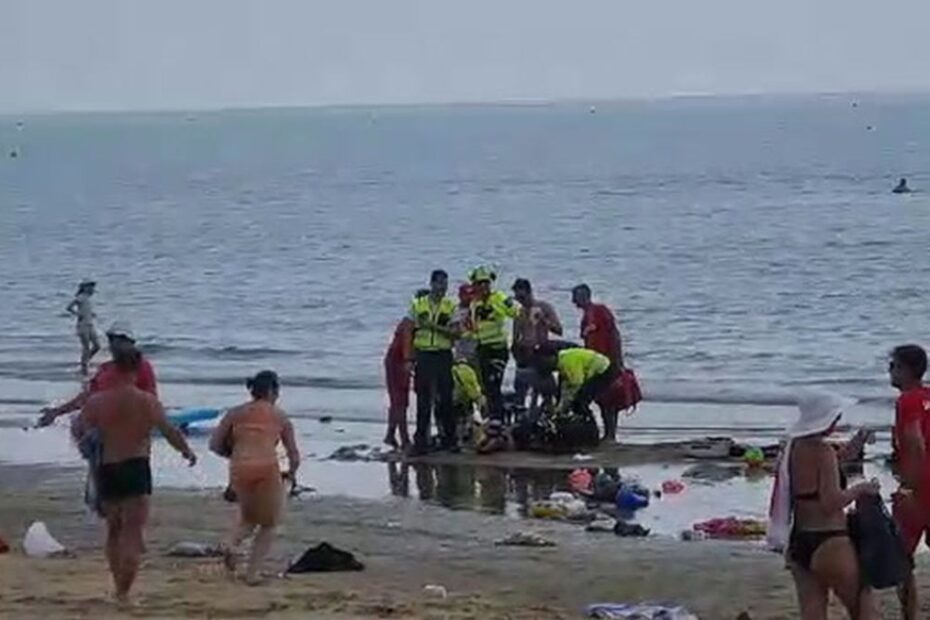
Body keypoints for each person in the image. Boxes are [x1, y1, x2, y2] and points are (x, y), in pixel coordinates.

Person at [71, 346, 196, 605]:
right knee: (132, 532)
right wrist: (187, 452)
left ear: (114, 367)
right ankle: (123, 593)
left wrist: (91, 445)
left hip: (106, 468)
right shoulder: (146, 401)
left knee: (113, 530)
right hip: (136, 466)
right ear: (138, 369)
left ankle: (117, 584)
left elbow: (80, 430)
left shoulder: (96, 401)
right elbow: (170, 430)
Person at [770, 392, 878, 620]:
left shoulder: (793, 449)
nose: (837, 422)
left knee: (812, 612)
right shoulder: (823, 452)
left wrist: (857, 442)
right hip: (829, 540)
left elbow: (826, 468)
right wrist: (862, 489)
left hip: (800, 541)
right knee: (863, 603)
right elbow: (831, 502)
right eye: (835, 417)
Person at [210, 371, 300, 585]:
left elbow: (214, 444)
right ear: (272, 391)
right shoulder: (280, 416)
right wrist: (292, 473)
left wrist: (233, 453)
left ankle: (230, 545)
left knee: (249, 518)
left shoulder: (235, 413)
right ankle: (252, 573)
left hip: (239, 468)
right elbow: (293, 454)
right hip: (267, 467)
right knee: (269, 523)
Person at [38, 322, 157, 427]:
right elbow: (87, 396)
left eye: (121, 341)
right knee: (79, 422)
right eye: (113, 340)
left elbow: (150, 400)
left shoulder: (142, 367)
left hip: (134, 419)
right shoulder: (106, 369)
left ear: (130, 343)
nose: (117, 345)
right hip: (111, 422)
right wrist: (57, 412)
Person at [888, 345, 930, 620]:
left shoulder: (908, 400)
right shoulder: (927, 396)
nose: (889, 371)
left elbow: (914, 440)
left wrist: (908, 487)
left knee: (900, 556)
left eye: (893, 366)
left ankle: (909, 615)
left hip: (919, 485)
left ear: (907, 370)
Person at [409, 271, 458, 455]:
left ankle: (450, 439)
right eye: (440, 284)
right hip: (424, 354)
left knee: (446, 398)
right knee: (423, 399)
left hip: (443, 354)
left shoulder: (450, 306)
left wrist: (433, 327)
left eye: (445, 285)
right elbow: (410, 331)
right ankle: (421, 441)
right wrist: (410, 358)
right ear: (432, 284)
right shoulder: (418, 304)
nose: (443, 289)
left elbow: (455, 333)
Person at [469, 266, 521, 433]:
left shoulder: (499, 298)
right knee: (485, 386)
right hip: (482, 348)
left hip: (498, 348)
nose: (483, 287)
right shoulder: (474, 303)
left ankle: (497, 420)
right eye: (480, 283)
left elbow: (517, 312)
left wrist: (517, 338)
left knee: (493, 384)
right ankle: (496, 415)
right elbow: (474, 327)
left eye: (486, 283)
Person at [572, 284, 624, 441]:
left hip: (608, 360)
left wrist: (618, 361)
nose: (573, 301)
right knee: (601, 399)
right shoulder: (585, 318)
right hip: (594, 363)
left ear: (585, 296)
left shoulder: (600, 311)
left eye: (575, 296)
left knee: (610, 400)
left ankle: (610, 434)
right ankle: (606, 434)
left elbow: (614, 335)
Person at [533, 345, 620, 422]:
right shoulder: (561, 362)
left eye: (544, 362)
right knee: (572, 399)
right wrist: (560, 406)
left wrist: (565, 405)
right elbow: (565, 386)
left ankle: (588, 423)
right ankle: (581, 420)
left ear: (552, 357)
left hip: (605, 370)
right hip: (596, 369)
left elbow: (577, 384)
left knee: (579, 401)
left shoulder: (567, 362)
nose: (543, 365)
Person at [511, 278, 562, 407]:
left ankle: (550, 416)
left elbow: (559, 330)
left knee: (547, 392)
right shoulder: (519, 312)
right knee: (520, 391)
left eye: (522, 297)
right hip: (524, 354)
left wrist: (543, 320)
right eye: (518, 298)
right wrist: (516, 354)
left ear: (529, 293)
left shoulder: (544, 307)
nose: (521, 301)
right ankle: (522, 418)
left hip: (542, 353)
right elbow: (515, 337)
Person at [383, 317, 414, 450]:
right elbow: (407, 342)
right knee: (400, 401)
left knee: (399, 401)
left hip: (397, 360)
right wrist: (408, 360)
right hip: (397, 361)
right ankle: (404, 439)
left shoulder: (410, 322)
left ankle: (391, 434)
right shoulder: (409, 323)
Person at [451, 352, 486, 446]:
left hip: (451, 398)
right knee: (466, 416)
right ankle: (465, 435)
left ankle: (454, 437)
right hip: (462, 399)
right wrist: (478, 398)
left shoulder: (450, 369)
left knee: (454, 419)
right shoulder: (467, 370)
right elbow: (471, 388)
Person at [67, 280, 100, 376]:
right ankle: (84, 368)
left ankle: (85, 363)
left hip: (90, 324)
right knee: (86, 347)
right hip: (82, 325)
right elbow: (69, 307)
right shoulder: (81, 297)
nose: (92, 289)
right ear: (85, 288)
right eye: (90, 287)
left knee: (97, 346)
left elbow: (85, 309)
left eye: (92, 287)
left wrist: (91, 314)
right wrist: (78, 314)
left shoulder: (88, 298)